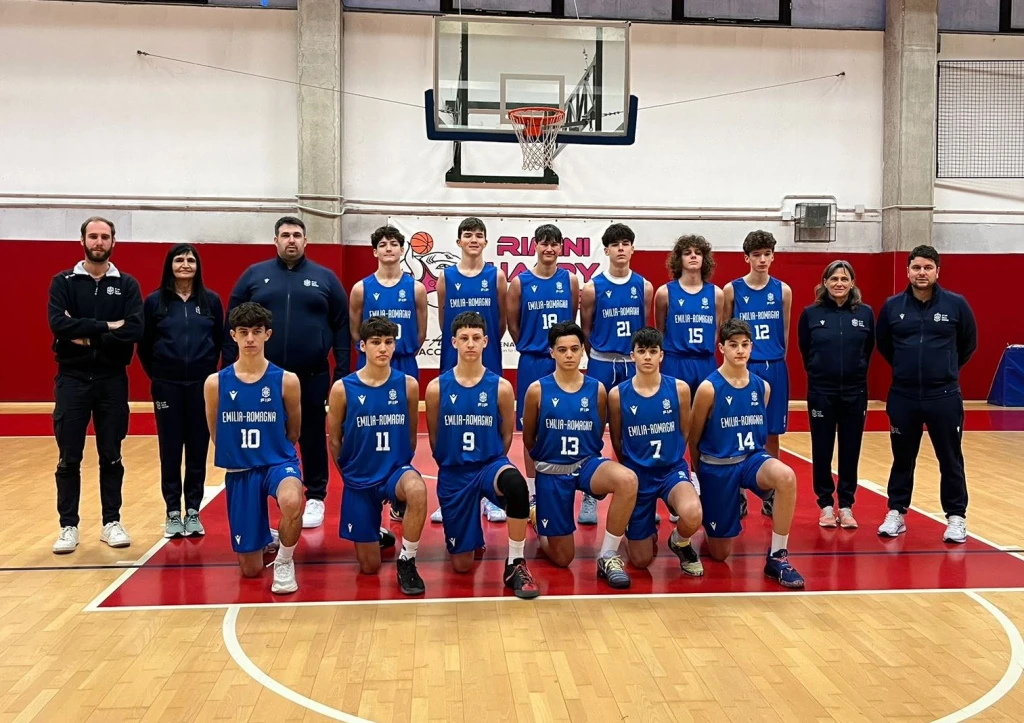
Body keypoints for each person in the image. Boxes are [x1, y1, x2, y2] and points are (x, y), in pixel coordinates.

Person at [223, 216, 350, 530]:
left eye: (296, 235)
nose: (291, 240)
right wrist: (229, 368)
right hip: (262, 378)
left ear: (306, 241)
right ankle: (260, 499)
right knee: (265, 435)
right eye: (285, 235)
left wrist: (342, 372)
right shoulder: (255, 275)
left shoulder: (325, 278)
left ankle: (316, 495)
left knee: (311, 434)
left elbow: (341, 325)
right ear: (276, 240)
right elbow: (232, 322)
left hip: (312, 374)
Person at [425, 311, 540, 599]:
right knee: (463, 565)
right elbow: (435, 439)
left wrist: (492, 462)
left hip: (489, 465)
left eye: (476, 338)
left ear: (486, 341)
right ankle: (469, 529)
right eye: (464, 338)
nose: (470, 344)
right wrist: (453, 465)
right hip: (455, 473)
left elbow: (505, 437)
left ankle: (515, 562)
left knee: (516, 484)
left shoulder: (501, 387)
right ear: (453, 342)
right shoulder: (436, 388)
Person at [48, 217, 144, 555]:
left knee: (111, 455)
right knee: (68, 457)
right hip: (72, 379)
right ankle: (68, 526)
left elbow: (134, 330)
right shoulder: (63, 282)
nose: (99, 242)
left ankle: (111, 522)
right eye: (93, 236)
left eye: (104, 236)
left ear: (113, 241)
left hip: (112, 380)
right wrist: (108, 326)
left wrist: (87, 334)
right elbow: (58, 325)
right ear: (82, 240)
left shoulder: (127, 284)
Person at [688, 319, 805, 589]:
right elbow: (694, 438)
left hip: (751, 460)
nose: (740, 350)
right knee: (720, 554)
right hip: (718, 465)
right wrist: (700, 477)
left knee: (786, 476)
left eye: (744, 344)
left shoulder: (762, 387)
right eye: (733, 345)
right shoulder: (708, 388)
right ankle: (710, 522)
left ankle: (778, 556)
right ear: (721, 348)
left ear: (752, 346)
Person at [521, 321, 638, 589]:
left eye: (575, 349)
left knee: (628, 480)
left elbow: (597, 434)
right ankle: (538, 516)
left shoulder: (597, 389)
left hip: (586, 465)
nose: (569, 355)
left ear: (582, 351)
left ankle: (608, 555)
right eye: (562, 350)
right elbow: (529, 439)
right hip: (552, 471)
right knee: (563, 558)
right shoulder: (537, 390)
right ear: (552, 352)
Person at [875, 245, 977, 544]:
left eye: (928, 268)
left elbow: (968, 344)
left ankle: (956, 517)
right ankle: (896, 512)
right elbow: (884, 345)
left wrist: (944, 369)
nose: (922, 273)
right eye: (917, 267)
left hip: (943, 396)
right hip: (903, 396)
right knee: (902, 458)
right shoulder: (893, 306)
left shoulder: (956, 305)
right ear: (907, 271)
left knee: (950, 458)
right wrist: (907, 369)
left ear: (937, 271)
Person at [203, 302, 304, 594]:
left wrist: (276, 454)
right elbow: (216, 432)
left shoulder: (286, 380)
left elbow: (293, 431)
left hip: (277, 463)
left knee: (292, 499)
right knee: (250, 570)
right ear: (233, 335)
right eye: (243, 332)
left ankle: (284, 560)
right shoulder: (215, 383)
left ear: (267, 335)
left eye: (257, 332)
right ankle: (265, 534)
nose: (250, 338)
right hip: (241, 470)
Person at [328, 316, 427, 596]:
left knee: (417, 489)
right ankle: (378, 533)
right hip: (360, 477)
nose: (383, 348)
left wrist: (401, 469)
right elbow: (334, 441)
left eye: (388, 342)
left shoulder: (407, 385)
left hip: (394, 472)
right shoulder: (342, 388)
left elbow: (411, 436)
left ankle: (407, 560)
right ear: (362, 346)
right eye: (375, 342)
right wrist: (350, 477)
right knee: (369, 567)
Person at [139, 244, 224, 538]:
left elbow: (221, 342)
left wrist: (212, 378)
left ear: (197, 266)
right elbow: (144, 346)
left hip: (202, 386)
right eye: (179, 260)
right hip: (167, 386)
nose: (185, 264)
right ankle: (173, 512)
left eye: (190, 260)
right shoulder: (154, 302)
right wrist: (161, 375)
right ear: (170, 265)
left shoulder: (211, 301)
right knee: (171, 449)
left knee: (198, 448)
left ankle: (193, 510)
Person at [608, 327, 704, 577]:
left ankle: (680, 542)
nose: (648, 357)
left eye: (653, 351)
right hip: (638, 475)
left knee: (693, 513)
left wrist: (671, 457)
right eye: (642, 351)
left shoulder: (680, 389)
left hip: (671, 471)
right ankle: (641, 526)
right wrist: (632, 466)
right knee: (641, 561)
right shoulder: (617, 395)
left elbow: (685, 430)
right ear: (633, 356)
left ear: (662, 355)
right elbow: (617, 440)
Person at [431, 217, 508, 524]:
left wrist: (481, 344)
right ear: (459, 242)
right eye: (468, 235)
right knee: (451, 421)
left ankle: (490, 495)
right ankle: (450, 494)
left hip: (487, 355)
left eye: (479, 235)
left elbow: (500, 322)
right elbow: (445, 322)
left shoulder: (496, 276)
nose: (473, 240)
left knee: (490, 420)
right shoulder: (446, 277)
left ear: (485, 242)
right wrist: (461, 345)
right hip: (456, 356)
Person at [578, 223, 652, 526]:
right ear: (606, 250)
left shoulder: (644, 286)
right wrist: (596, 354)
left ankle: (640, 493)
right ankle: (590, 494)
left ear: (632, 249)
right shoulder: (592, 287)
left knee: (637, 428)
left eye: (625, 243)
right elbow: (585, 329)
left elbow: (645, 330)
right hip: (602, 362)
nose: (621, 249)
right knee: (594, 428)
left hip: (632, 364)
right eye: (615, 244)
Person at [507, 223, 579, 520]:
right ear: (534, 246)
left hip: (561, 360)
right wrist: (531, 345)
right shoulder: (519, 283)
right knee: (530, 427)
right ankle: (533, 490)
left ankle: (564, 481)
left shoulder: (570, 281)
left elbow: (571, 321)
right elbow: (513, 325)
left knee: (565, 422)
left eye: (554, 243)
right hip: (532, 360)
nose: (549, 248)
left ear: (561, 247)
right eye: (544, 243)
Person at [797, 260, 874, 529]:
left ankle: (846, 505)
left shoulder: (865, 314)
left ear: (852, 283)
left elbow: (869, 349)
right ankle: (826, 505)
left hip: (855, 392)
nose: (839, 283)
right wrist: (820, 373)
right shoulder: (810, 314)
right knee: (822, 449)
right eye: (834, 279)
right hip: (822, 392)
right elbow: (805, 350)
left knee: (850, 450)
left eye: (844, 279)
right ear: (825, 283)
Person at [724, 230, 791, 518]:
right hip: (743, 368)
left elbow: (784, 334)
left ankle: (770, 493)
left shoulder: (783, 291)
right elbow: (726, 332)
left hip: (773, 366)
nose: (762, 259)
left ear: (773, 256)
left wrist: (774, 359)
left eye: (767, 254)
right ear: (747, 258)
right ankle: (737, 493)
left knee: (771, 433)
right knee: (736, 430)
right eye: (756, 255)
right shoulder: (732, 290)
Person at [348, 225, 427, 381]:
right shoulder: (360, 288)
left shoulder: (416, 288)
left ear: (402, 250)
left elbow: (421, 333)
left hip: (404, 360)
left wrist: (403, 351)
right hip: (370, 361)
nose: (389, 249)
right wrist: (373, 351)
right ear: (375, 252)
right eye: (383, 245)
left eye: (394, 244)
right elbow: (355, 333)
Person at [656, 234, 724, 401]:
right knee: (673, 411)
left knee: (707, 413)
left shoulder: (717, 294)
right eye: (687, 253)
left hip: (705, 361)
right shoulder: (664, 293)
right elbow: (660, 332)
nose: (693, 256)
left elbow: (716, 331)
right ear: (679, 259)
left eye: (698, 253)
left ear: (704, 259)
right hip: (675, 361)